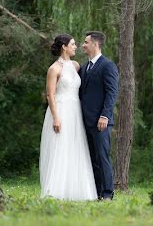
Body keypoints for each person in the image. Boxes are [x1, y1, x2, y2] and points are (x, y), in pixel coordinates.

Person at [39, 34, 98, 201]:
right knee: (60, 147)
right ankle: (55, 190)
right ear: (64, 47)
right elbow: (50, 95)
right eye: (72, 44)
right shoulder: (54, 69)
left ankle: (77, 189)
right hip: (60, 110)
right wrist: (56, 118)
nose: (76, 46)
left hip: (75, 111)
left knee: (76, 146)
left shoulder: (76, 66)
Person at [79, 31, 118, 200]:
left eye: (86, 42)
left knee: (103, 157)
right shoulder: (84, 67)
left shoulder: (107, 65)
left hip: (101, 121)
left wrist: (105, 116)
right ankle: (97, 192)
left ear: (95, 44)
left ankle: (108, 193)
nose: (83, 45)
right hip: (85, 121)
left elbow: (111, 92)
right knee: (92, 158)